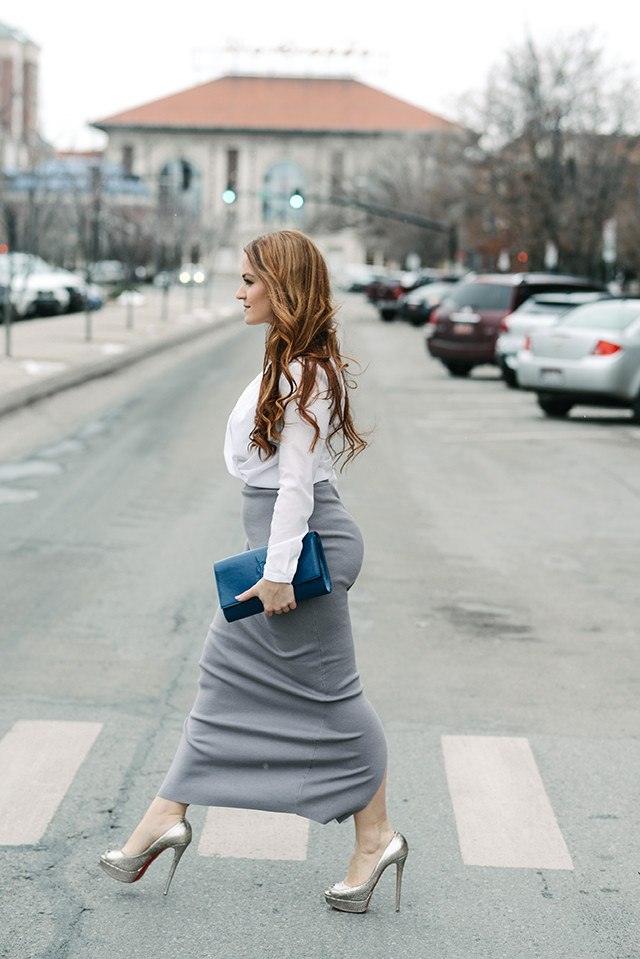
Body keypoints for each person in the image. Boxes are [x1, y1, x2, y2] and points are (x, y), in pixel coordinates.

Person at [99, 230, 408, 913]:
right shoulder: (288, 359)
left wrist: (277, 573)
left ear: (282, 286)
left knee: (334, 696)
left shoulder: (304, 371)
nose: (237, 290)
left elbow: (296, 486)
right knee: (226, 676)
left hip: (302, 550)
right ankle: (164, 818)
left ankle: (376, 834)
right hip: (287, 545)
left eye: (248, 280)